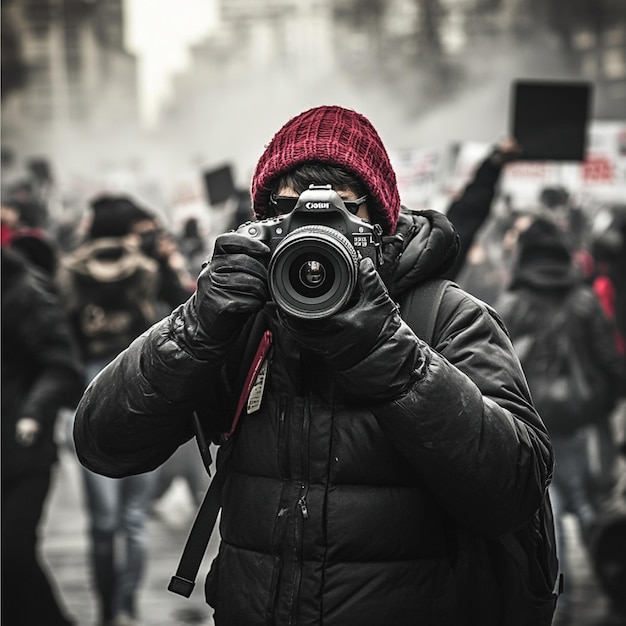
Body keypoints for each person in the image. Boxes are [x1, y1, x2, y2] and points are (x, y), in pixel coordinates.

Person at [74, 105, 555, 626]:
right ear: (261, 228)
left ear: (379, 223)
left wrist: (381, 345)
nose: (312, 239)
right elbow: (104, 443)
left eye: (337, 215)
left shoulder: (445, 317)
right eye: (288, 215)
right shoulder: (244, 322)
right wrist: (198, 325)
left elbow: (514, 489)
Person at [495, 216, 626, 625]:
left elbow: (493, 374)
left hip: (532, 431)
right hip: (581, 430)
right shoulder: (585, 302)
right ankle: (616, 586)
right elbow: (613, 368)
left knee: (546, 515)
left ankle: (561, 607)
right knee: (592, 510)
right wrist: (597, 410)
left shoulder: (510, 307)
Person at [56, 195, 172, 626]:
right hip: (140, 388)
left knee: (102, 521)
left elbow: (61, 337)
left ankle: (106, 610)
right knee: (134, 517)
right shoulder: (146, 270)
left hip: (89, 388)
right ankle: (126, 608)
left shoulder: (69, 272)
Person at [1, 247, 85, 626]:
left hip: (22, 452)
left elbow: (62, 367)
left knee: (12, 552)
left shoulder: (24, 291)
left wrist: (33, 414)